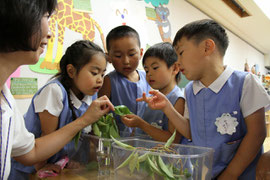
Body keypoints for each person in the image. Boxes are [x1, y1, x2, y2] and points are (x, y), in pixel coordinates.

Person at [137, 19, 270, 180]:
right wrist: (167, 108)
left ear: (207, 47)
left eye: (181, 53)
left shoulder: (245, 82)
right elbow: (190, 131)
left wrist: (230, 175)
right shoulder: (190, 90)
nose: (177, 61)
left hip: (242, 175)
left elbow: (257, 134)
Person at [0, 1, 114, 179]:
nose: (50, 33)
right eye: (46, 17)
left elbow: (32, 151)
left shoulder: (7, 101)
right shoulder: (55, 91)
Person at [9, 40, 107, 179]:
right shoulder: (54, 91)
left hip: (57, 167)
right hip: (30, 169)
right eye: (94, 73)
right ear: (71, 71)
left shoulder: (91, 94)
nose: (100, 80)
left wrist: (68, 161)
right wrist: (42, 167)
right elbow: (46, 137)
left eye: (103, 74)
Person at [121, 42, 185, 143]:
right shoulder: (150, 97)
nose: (149, 74)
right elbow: (135, 135)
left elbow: (173, 140)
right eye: (146, 70)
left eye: (155, 68)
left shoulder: (178, 99)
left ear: (175, 68)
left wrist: (140, 124)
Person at [98, 25, 151, 133]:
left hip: (146, 140)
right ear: (109, 58)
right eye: (118, 56)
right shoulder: (108, 81)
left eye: (131, 54)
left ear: (140, 53)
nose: (126, 61)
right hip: (118, 142)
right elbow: (101, 117)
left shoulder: (148, 77)